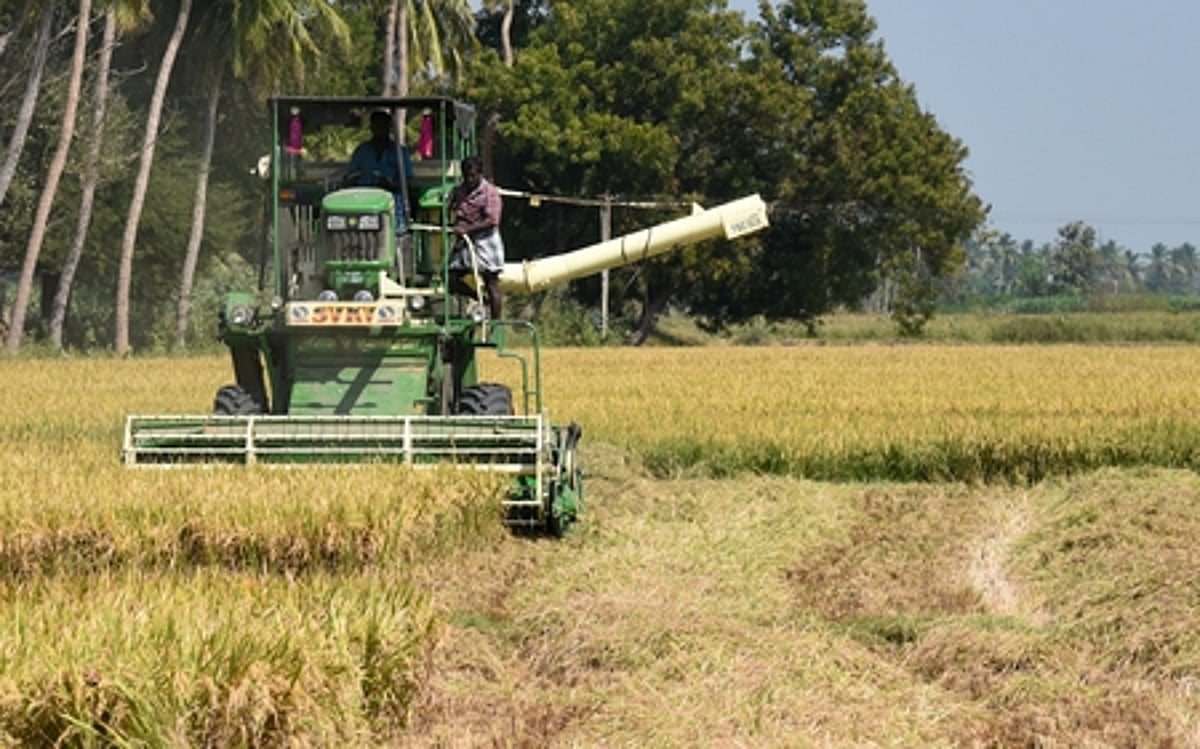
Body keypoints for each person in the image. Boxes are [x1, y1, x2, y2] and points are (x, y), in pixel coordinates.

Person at [448, 156, 505, 319]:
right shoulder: (459, 190)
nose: (469, 179)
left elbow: (492, 220)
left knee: (491, 282)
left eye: (473, 175)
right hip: (465, 242)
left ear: (480, 174)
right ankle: (479, 299)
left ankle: (495, 324)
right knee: (451, 278)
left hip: (486, 241)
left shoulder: (490, 193)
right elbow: (453, 211)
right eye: (466, 176)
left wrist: (467, 229)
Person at [346, 109, 414, 230]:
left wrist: (391, 184)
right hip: (363, 201)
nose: (380, 129)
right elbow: (351, 175)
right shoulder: (362, 150)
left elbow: (408, 179)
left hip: (390, 202)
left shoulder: (399, 151)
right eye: (377, 126)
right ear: (371, 128)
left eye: (383, 126)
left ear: (389, 128)